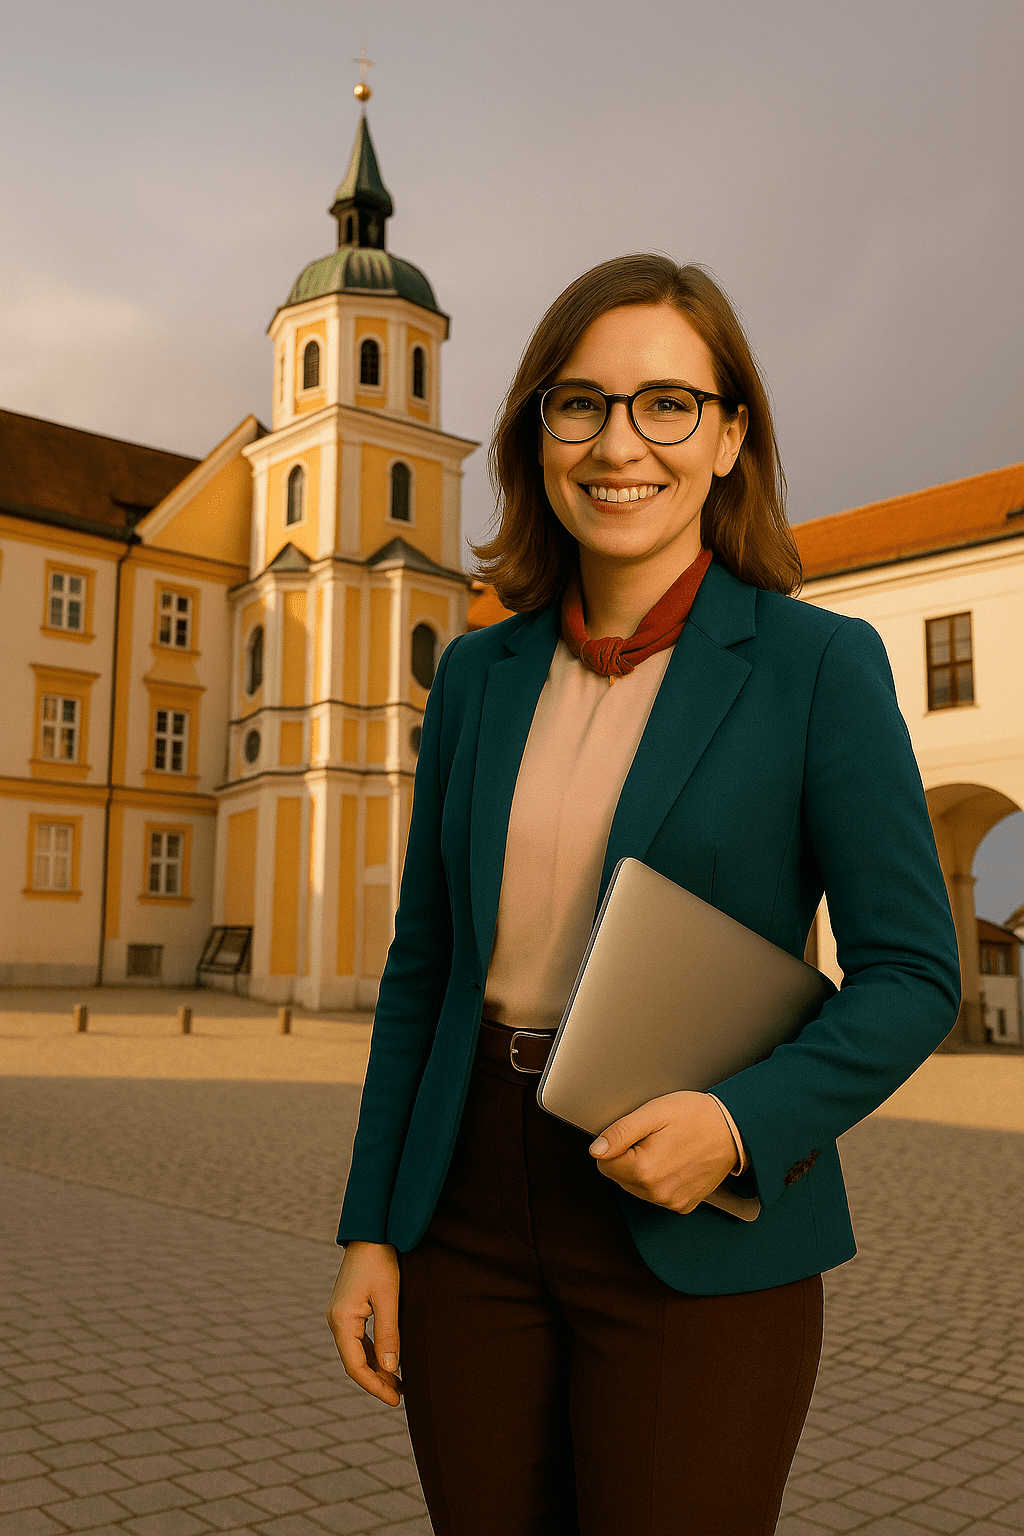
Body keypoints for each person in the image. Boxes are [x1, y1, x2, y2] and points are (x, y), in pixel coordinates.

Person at [325, 254, 961, 1536]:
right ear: (538, 435)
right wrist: (373, 1229)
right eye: (581, 404)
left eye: (667, 404)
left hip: (694, 1210)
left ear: (728, 437)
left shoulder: (816, 666)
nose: (622, 442)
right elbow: (425, 970)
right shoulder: (476, 678)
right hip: (468, 1215)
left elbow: (911, 974)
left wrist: (736, 1122)